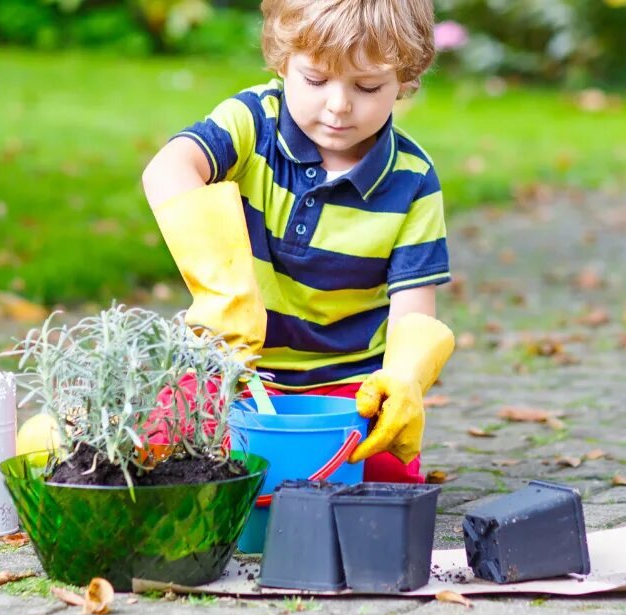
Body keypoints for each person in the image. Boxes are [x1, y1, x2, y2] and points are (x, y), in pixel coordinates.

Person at [140, 0, 455, 483]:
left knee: (384, 471)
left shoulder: (412, 181)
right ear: (283, 60)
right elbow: (168, 170)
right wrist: (225, 289)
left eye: (367, 86)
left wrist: (404, 379)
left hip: (348, 388)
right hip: (232, 369)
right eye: (316, 80)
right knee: (161, 451)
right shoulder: (251, 123)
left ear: (405, 80)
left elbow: (413, 313)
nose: (338, 104)